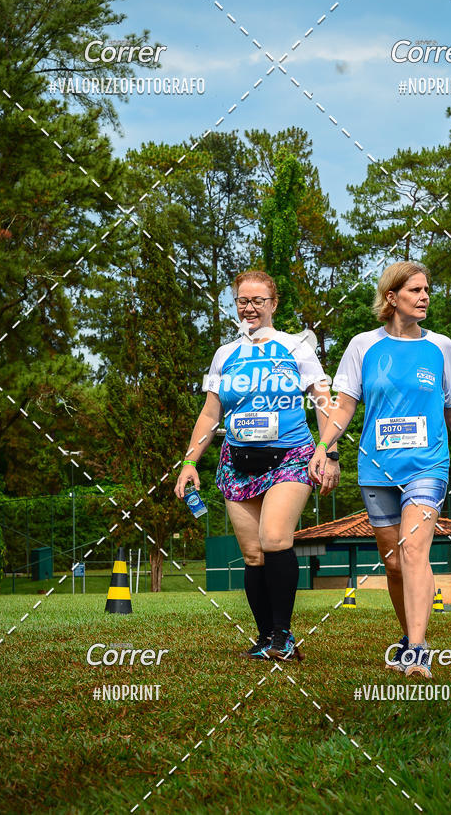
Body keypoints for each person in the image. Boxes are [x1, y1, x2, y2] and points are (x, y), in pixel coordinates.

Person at [309, 261, 451, 678]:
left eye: (427, 289)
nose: (425, 296)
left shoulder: (441, 347)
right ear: (392, 298)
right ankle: (408, 635)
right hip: (377, 468)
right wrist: (325, 445)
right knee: (393, 562)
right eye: (415, 290)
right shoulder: (362, 345)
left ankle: (418, 651)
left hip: (428, 465)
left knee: (414, 551)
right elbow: (345, 404)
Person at [175, 270, 339, 660]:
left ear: (274, 304)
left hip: (291, 456)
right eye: (242, 301)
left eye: (258, 301)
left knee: (275, 539)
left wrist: (328, 452)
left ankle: (284, 636)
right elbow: (210, 413)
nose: (249, 308)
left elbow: (323, 400)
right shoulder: (225, 355)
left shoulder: (296, 347)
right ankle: (266, 637)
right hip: (237, 461)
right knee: (253, 554)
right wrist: (189, 462)